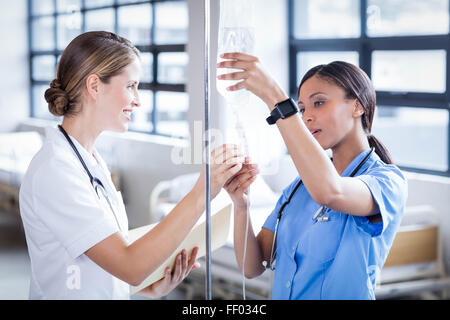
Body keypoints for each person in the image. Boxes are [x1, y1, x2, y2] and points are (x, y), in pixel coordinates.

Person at [18, 31, 247, 300]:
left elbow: (98, 262)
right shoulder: (56, 170)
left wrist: (148, 289)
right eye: (130, 86)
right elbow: (129, 265)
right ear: (94, 86)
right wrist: (202, 192)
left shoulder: (89, 160)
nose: (138, 100)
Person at [218, 53, 408, 300]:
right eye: (302, 108)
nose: (306, 117)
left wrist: (276, 97)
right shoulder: (299, 188)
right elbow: (252, 267)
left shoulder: (388, 182)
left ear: (357, 106)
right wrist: (241, 205)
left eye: (319, 103)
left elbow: (330, 191)